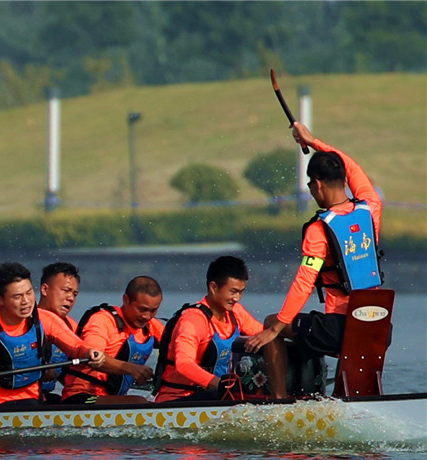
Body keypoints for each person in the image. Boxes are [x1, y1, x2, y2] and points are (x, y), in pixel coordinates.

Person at [245, 122, 384, 398]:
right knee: (298, 324)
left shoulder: (318, 230)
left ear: (316, 184)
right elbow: (352, 166)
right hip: (377, 326)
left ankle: (280, 401)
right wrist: (314, 141)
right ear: (344, 181)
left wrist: (275, 328)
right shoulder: (371, 209)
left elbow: (304, 282)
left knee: (273, 322)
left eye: (311, 185)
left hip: (339, 330)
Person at [0, 262, 104, 409]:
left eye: (29, 293)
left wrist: (89, 352)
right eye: (17, 297)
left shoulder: (44, 319)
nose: (26, 301)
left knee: (47, 401)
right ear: (0, 299)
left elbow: (76, 346)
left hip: (33, 404)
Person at [154, 256, 264, 403]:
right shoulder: (193, 320)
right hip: (177, 399)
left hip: (216, 395)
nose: (237, 298)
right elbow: (183, 364)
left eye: (241, 292)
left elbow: (263, 337)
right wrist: (222, 385)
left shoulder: (236, 313)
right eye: (233, 291)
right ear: (213, 287)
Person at [62, 276, 165, 403]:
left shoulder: (150, 326)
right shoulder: (103, 321)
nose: (147, 316)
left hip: (110, 398)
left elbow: (178, 348)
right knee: (139, 402)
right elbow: (93, 357)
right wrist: (131, 369)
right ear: (126, 300)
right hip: (82, 397)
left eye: (153, 310)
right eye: (142, 309)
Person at [36, 262, 81, 401]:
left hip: (45, 399)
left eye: (74, 294)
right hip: (14, 400)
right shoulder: (24, 321)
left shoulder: (71, 326)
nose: (71, 298)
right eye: (65, 290)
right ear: (44, 289)